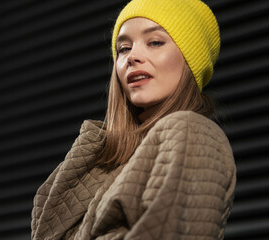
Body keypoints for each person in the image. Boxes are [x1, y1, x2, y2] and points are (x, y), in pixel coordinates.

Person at [31, 0, 236, 239]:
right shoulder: (99, 154)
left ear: (191, 61)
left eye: (155, 42)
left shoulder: (191, 131)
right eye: (124, 48)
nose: (132, 57)